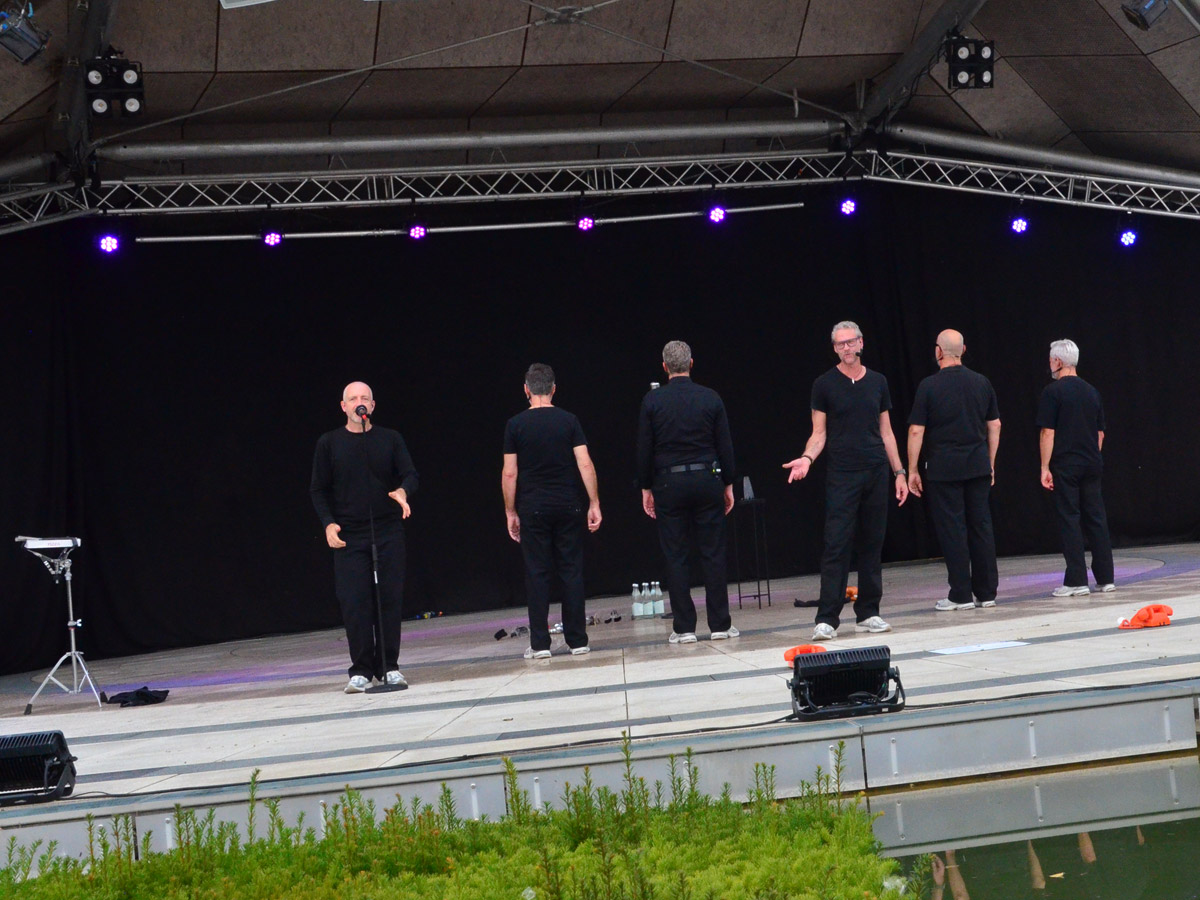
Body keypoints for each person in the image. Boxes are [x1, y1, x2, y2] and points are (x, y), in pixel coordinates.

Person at [783, 321, 909, 641]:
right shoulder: (824, 384)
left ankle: (869, 612)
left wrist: (899, 472)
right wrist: (807, 458)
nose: (846, 348)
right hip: (842, 474)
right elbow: (819, 433)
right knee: (836, 545)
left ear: (861, 342)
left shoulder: (878, 382)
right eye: (840, 344)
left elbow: (886, 432)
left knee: (872, 543)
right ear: (835, 348)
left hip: (876, 470)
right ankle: (827, 618)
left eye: (850, 342)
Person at [311, 381, 418, 694]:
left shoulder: (389, 438)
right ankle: (360, 670)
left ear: (372, 406)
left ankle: (389, 667)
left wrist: (403, 491)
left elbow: (410, 474)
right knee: (355, 603)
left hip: (387, 531)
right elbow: (318, 489)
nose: (359, 402)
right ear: (343, 406)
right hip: (349, 535)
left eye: (365, 398)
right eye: (353, 398)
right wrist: (329, 524)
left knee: (389, 600)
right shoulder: (329, 443)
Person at [637, 340, 738, 644]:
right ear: (691, 364)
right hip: (707, 479)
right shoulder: (710, 397)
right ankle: (720, 625)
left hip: (669, 484)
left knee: (676, 555)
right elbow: (725, 445)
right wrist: (728, 482)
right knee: (713, 553)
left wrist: (645, 486)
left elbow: (644, 449)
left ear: (664, 367)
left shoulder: (652, 401)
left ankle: (684, 628)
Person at [502, 363, 602, 659]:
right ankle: (578, 640)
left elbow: (510, 473)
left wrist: (510, 511)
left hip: (533, 507)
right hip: (568, 505)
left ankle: (540, 644)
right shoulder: (569, 421)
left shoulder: (515, 425)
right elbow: (585, 463)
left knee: (537, 574)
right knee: (571, 571)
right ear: (554, 389)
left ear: (526, 390)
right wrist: (594, 502)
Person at [906, 330, 1000, 611]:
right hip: (977, 465)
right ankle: (987, 592)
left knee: (953, 530)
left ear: (938, 351)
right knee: (981, 527)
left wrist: (912, 469)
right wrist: (990, 462)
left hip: (944, 469)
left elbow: (916, 430)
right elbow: (994, 425)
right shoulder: (982, 382)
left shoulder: (928, 386)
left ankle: (960, 594)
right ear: (963, 350)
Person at [1037, 339, 1115, 596]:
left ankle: (1076, 580)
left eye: (1051, 360)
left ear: (1058, 362)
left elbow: (1048, 432)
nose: (1050, 364)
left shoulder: (1053, 392)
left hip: (1066, 464)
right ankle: (1106, 578)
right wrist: (1092, 456)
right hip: (1092, 462)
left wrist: (1044, 466)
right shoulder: (1092, 391)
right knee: (1096, 518)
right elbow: (1100, 433)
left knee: (1069, 518)